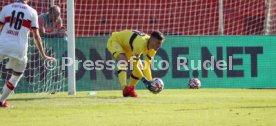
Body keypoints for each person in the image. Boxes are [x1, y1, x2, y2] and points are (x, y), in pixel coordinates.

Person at [0, 0, 56, 107]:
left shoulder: (6, 8)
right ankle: (1, 101)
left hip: (2, 44)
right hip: (19, 48)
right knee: (16, 75)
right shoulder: (32, 12)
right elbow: (36, 36)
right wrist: (44, 55)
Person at [107, 30, 164, 97]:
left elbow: (147, 66)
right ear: (152, 40)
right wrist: (145, 81)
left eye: (160, 43)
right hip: (116, 41)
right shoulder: (140, 44)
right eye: (158, 43)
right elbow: (134, 65)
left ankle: (130, 89)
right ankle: (124, 88)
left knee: (141, 67)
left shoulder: (153, 49)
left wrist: (150, 82)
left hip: (129, 47)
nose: (159, 46)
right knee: (123, 60)